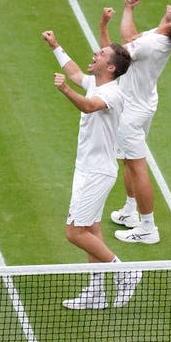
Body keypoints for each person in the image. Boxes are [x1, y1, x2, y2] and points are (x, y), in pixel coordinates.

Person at [41, 28, 141, 310]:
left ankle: (125, 272)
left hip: (97, 173)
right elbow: (74, 72)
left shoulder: (112, 94)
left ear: (110, 67)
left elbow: (87, 106)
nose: (95, 53)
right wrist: (56, 45)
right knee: (92, 230)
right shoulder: (97, 84)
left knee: (75, 233)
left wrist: (63, 90)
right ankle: (96, 292)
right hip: (85, 169)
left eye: (101, 54)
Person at [100, 0, 171, 244]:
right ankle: (129, 211)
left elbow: (119, 48)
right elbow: (132, 38)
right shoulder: (160, 36)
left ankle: (148, 228)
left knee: (137, 166)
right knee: (128, 160)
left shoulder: (152, 44)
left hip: (131, 111)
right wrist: (128, 9)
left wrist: (108, 21)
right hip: (143, 103)